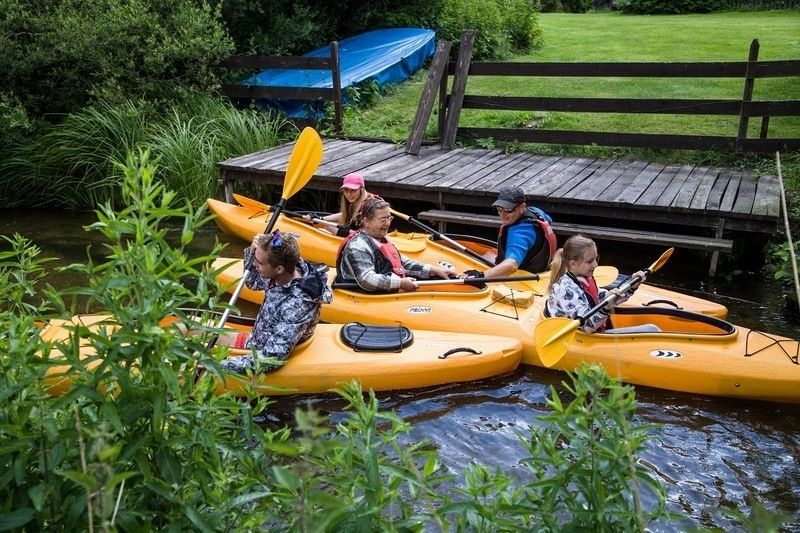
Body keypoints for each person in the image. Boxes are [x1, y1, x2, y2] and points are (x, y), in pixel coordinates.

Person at [213, 230, 332, 373]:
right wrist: (251, 253)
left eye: (259, 262)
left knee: (191, 337)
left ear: (279, 269)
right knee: (186, 329)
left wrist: (220, 366)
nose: (255, 265)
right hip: (257, 338)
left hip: (261, 350)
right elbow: (252, 282)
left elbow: (272, 358)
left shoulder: (297, 305)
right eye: (255, 259)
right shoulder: (284, 270)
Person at [335, 195, 457, 292]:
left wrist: (432, 270)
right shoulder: (357, 246)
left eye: (389, 218)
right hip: (361, 294)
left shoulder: (381, 238)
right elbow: (367, 279)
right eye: (383, 220)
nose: (388, 223)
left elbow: (400, 263)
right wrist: (400, 283)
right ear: (366, 222)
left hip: (380, 289)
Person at [544, 235, 659, 334]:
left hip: (592, 332)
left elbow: (604, 297)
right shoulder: (565, 289)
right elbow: (586, 326)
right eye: (590, 261)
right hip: (580, 337)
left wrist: (631, 285)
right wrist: (606, 308)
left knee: (652, 329)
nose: (595, 264)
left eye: (596, 259)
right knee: (652, 330)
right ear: (573, 264)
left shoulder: (584, 279)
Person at [462, 186, 557, 280]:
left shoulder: (519, 233)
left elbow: (511, 265)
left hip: (523, 278)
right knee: (487, 255)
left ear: (522, 207)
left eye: (508, 210)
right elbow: (549, 220)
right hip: (542, 271)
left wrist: (481, 276)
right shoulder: (535, 212)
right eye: (500, 210)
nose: (503, 216)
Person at [305, 172, 369, 237]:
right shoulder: (356, 201)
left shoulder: (369, 206)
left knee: (327, 226)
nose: (349, 194)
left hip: (361, 238)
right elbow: (344, 214)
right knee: (327, 225)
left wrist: (346, 231)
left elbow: (369, 233)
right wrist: (321, 218)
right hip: (354, 233)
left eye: (353, 190)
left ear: (361, 189)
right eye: (346, 190)